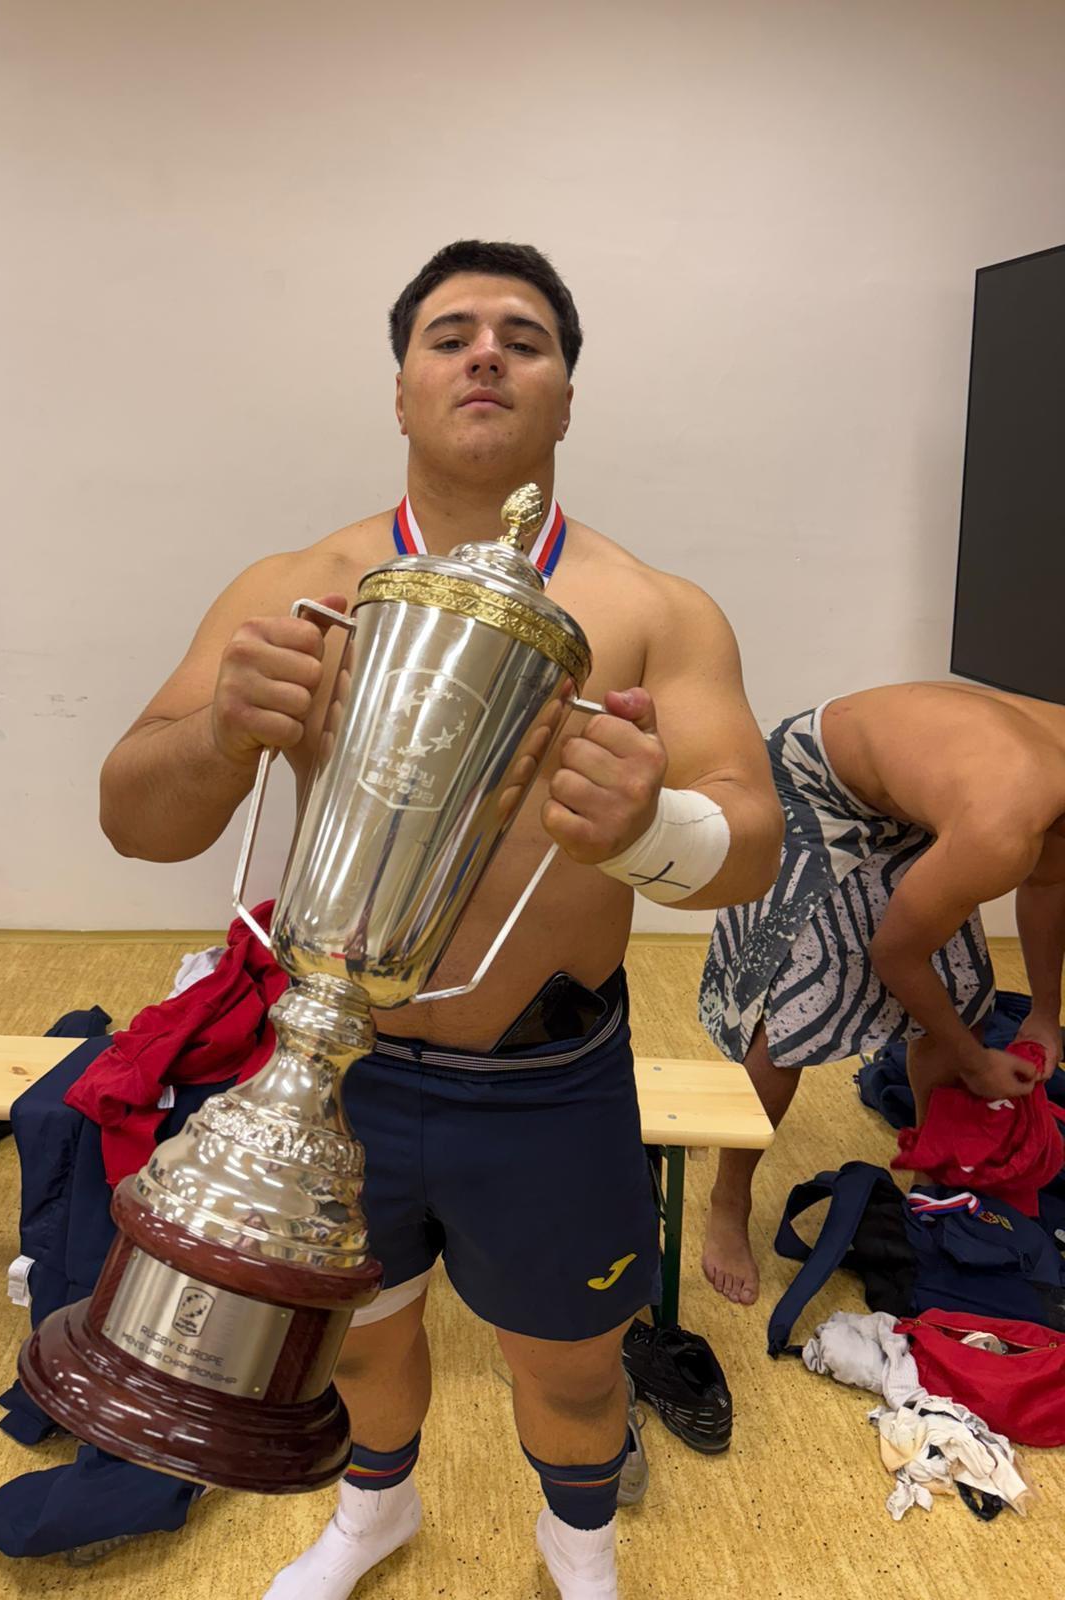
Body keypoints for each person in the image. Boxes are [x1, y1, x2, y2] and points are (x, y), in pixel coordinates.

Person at [100, 239, 782, 1599]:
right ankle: (374, 1518)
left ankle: (577, 1548)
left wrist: (652, 824)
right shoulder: (300, 583)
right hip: (334, 1064)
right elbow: (136, 815)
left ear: (566, 397)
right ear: (403, 388)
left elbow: (751, 844)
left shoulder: (651, 610)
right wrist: (226, 734)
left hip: (543, 1082)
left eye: (523, 339)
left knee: (578, 1372)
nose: (485, 355)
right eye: (451, 334)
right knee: (359, 1337)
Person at [699, 680, 1065, 1307]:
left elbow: (1046, 886)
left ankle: (932, 1165)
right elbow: (895, 955)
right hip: (814, 787)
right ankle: (728, 1199)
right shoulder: (1002, 825)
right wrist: (976, 1065)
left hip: (913, 801)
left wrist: (1043, 1016)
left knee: (964, 1000)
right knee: (795, 1018)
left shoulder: (1040, 798)